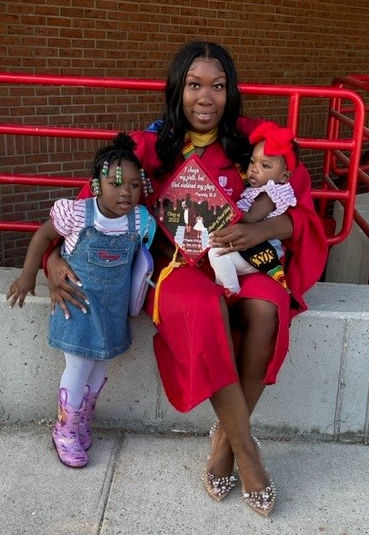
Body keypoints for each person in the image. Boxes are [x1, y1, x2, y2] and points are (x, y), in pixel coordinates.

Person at [44, 42, 328, 515]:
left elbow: (296, 210)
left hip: (243, 260)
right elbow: (89, 203)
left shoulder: (255, 143)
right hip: (178, 268)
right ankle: (249, 455)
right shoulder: (151, 144)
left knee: (268, 307)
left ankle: (224, 448)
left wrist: (256, 228)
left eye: (216, 86)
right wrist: (54, 254)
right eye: (194, 85)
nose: (205, 98)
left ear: (229, 92)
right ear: (178, 89)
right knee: (200, 308)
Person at [6, 133, 156, 468]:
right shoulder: (77, 215)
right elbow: (44, 235)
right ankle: (65, 428)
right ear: (95, 185)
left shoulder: (141, 221)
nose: (125, 192)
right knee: (78, 367)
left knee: (100, 369)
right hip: (76, 308)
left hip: (112, 312)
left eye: (134, 185)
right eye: (115, 183)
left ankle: (82, 419)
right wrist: (29, 274)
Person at [208, 120, 298, 296]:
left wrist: (225, 208)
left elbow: (250, 218)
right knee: (218, 252)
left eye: (265, 166)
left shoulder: (269, 193)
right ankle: (224, 284)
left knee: (216, 253)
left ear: (285, 176)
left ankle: (232, 290)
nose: (254, 170)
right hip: (250, 246)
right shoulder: (257, 190)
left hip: (262, 250)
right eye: (252, 162)